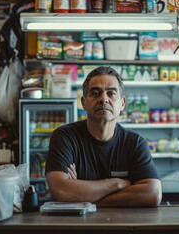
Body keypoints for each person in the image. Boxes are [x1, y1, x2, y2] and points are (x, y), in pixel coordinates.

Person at [45, 66, 162, 207]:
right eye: (95, 93)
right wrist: (117, 183)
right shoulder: (65, 137)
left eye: (111, 93)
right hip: (78, 226)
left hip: (125, 226)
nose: (103, 99)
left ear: (122, 103)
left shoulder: (135, 142)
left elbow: (152, 193)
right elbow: (61, 191)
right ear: (83, 102)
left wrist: (84, 197)